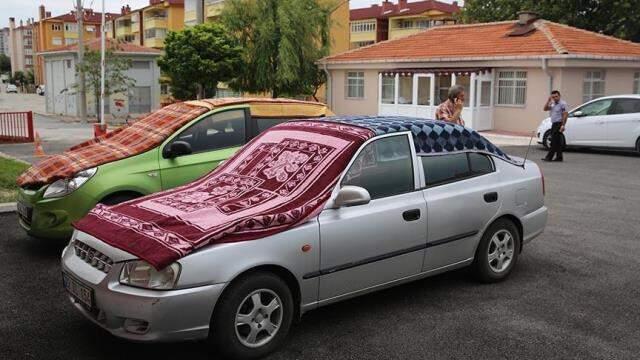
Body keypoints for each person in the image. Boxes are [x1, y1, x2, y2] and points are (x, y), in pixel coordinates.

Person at [542, 90, 569, 162]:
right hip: (554, 124)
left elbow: (565, 115)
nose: (555, 98)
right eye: (553, 97)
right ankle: (559, 157)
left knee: (553, 141)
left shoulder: (563, 104)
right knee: (557, 142)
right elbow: (545, 109)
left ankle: (549, 157)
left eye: (556, 96)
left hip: (559, 124)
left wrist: (563, 125)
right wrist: (548, 101)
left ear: (559, 96)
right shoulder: (553, 103)